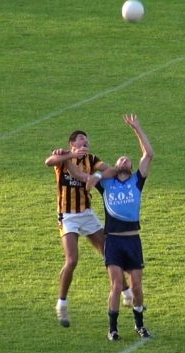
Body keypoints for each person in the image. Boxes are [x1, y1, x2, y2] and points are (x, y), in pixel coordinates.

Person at [66, 114, 154, 341]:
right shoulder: (106, 183)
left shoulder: (137, 181)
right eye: (120, 159)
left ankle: (139, 325)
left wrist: (137, 128)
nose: (124, 160)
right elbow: (78, 174)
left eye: (127, 160)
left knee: (136, 286)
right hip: (113, 240)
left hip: (133, 240)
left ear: (131, 167)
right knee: (116, 285)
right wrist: (67, 157)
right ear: (115, 166)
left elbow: (148, 154)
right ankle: (112, 329)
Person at [45, 131, 132, 327]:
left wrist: (99, 175)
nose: (85, 141)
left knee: (109, 253)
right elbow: (48, 162)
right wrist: (70, 155)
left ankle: (127, 292)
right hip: (68, 216)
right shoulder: (64, 158)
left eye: (86, 139)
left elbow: (109, 170)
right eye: (81, 139)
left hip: (86, 213)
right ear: (72, 143)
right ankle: (62, 303)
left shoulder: (91, 159)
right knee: (72, 260)